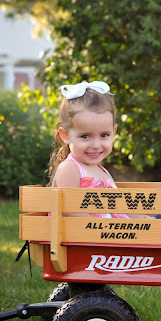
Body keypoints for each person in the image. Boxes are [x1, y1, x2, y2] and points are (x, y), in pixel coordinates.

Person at [48, 80, 128, 219]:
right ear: (65, 135)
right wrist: (104, 227)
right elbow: (69, 210)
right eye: (85, 136)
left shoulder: (102, 171)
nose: (96, 145)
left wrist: (140, 218)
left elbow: (117, 209)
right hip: (86, 232)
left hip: (111, 231)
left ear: (113, 132)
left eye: (104, 135)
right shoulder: (70, 169)